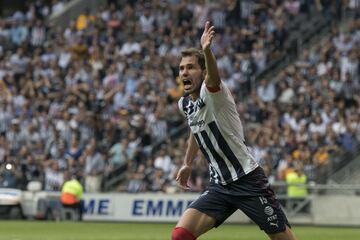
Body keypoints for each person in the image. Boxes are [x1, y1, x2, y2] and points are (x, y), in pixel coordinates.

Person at [172, 21, 297, 240]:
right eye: (182, 68)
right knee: (180, 235)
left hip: (248, 180)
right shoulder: (185, 104)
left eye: (190, 67)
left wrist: (207, 51)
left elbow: (213, 77)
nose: (185, 72)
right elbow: (195, 128)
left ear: (202, 71)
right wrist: (187, 163)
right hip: (219, 184)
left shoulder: (213, 92)